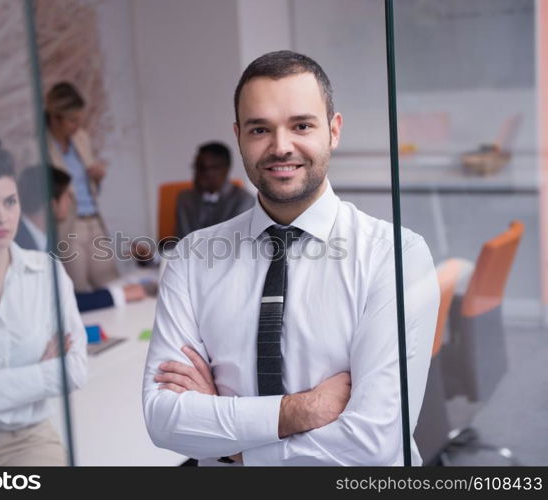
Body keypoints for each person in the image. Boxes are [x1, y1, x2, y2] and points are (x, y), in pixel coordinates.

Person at [142, 51, 439, 466]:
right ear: (239, 136)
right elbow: (163, 419)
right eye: (260, 129)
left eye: (301, 125)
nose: (281, 147)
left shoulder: (394, 255)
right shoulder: (192, 258)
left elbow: (375, 442)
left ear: (333, 131)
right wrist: (302, 410)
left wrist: (236, 450)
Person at [0, 133, 87, 466]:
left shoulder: (46, 273)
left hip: (28, 438)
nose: (2, 218)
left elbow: (75, 369)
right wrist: (41, 372)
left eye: (10, 201)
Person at [15, 165, 146, 312]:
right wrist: (119, 294)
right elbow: (56, 303)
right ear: (52, 205)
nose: (71, 202)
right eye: (67, 196)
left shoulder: (37, 237)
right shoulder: (22, 245)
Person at [45, 81, 119, 293]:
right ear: (55, 118)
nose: (77, 125)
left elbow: (86, 180)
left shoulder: (81, 138)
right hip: (68, 223)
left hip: (93, 218)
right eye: (72, 120)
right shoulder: (38, 146)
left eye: (79, 119)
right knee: (77, 288)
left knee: (110, 283)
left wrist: (97, 177)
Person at [175, 142, 254, 239]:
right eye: (197, 167)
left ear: (225, 169)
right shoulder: (185, 198)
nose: (198, 174)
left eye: (204, 168)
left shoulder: (243, 200)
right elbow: (181, 239)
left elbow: (233, 241)